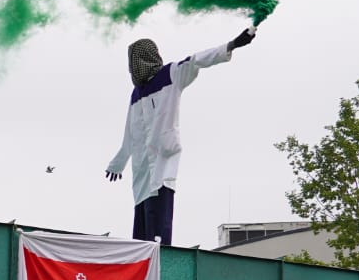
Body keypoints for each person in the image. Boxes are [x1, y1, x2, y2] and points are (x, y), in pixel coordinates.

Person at [106, 28, 258, 246]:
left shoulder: (170, 74)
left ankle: (162, 272)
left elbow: (197, 60)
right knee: (140, 237)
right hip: (140, 173)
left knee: (158, 233)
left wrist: (232, 44)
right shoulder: (136, 94)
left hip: (162, 164)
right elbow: (129, 133)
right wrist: (118, 163)